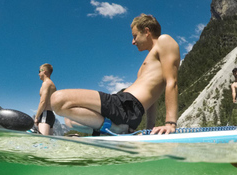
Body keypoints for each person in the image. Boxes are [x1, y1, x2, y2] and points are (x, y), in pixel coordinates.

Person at [50, 14, 180, 135]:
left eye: (135, 36)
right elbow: (153, 98)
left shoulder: (164, 40)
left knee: (57, 99)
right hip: (126, 107)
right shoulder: (149, 61)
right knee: (70, 120)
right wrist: (150, 128)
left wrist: (170, 123)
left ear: (146, 32)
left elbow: (171, 82)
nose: (133, 42)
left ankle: (116, 128)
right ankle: (114, 128)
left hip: (127, 105)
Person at [34, 63, 57, 135]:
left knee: (42, 141)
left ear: (44, 71)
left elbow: (43, 102)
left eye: (39, 71)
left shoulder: (46, 83)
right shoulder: (52, 84)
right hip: (50, 115)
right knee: (48, 143)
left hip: (45, 114)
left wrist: (36, 117)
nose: (38, 74)